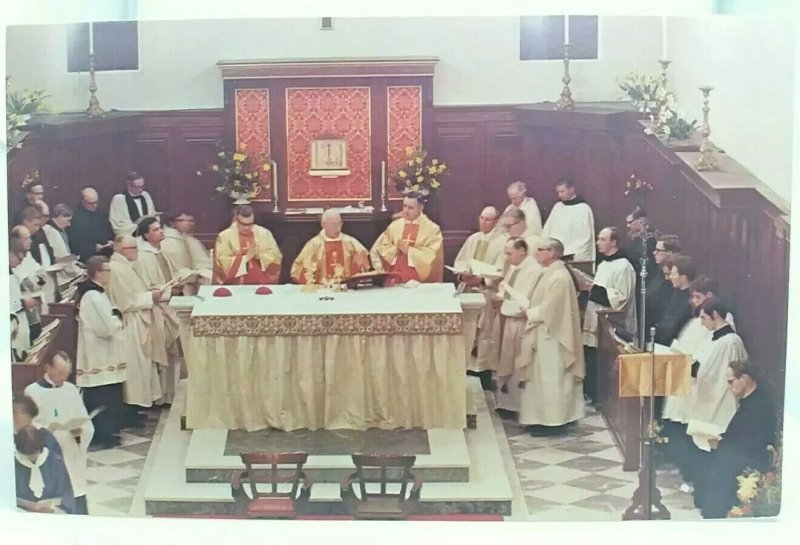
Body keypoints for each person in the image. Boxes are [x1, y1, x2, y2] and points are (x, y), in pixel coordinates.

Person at [684, 297, 747, 505]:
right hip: (712, 397)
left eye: (704, 317)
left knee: (711, 445)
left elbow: (708, 373)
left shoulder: (728, 341)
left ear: (716, 315)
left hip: (720, 401)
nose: (702, 323)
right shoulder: (717, 338)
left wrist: (689, 368)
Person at [518, 238, 585, 434]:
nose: (536, 253)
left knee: (551, 379)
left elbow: (550, 310)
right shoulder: (550, 272)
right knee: (541, 379)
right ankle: (541, 418)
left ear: (552, 253)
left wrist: (528, 312)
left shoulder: (559, 277)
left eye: (540, 250)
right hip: (545, 334)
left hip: (554, 337)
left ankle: (554, 423)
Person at [700, 361, 776, 518]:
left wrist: (720, 443)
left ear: (745, 379)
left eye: (731, 382)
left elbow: (750, 445)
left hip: (748, 465)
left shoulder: (758, 406)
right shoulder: (753, 400)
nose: (729, 387)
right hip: (739, 458)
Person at [25, 351, 94, 515]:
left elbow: (85, 421)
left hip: (71, 452)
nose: (64, 378)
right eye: (60, 373)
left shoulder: (71, 389)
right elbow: (28, 426)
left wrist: (81, 431)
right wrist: (46, 430)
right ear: (48, 367)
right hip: (50, 455)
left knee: (76, 491)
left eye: (67, 374)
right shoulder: (33, 391)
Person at [483, 237, 543, 417]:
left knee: (518, 363)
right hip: (507, 319)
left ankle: (517, 406)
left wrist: (503, 300)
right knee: (506, 360)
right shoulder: (515, 268)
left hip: (520, 322)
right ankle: (506, 403)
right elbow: (506, 293)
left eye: (510, 253)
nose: (507, 257)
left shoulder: (533, 270)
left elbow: (524, 300)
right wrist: (494, 295)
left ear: (522, 251)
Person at [580, 227, 637, 404]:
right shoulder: (604, 264)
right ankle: (591, 394)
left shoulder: (624, 266)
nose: (598, 242)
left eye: (602, 239)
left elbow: (621, 298)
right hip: (594, 317)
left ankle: (602, 398)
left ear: (614, 242)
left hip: (611, 322)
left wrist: (593, 289)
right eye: (598, 239)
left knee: (603, 361)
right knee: (591, 356)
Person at [108, 235, 163, 412]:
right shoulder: (116, 269)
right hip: (130, 323)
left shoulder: (125, 266)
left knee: (143, 366)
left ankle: (140, 404)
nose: (136, 252)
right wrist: (150, 297)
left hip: (138, 319)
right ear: (121, 249)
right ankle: (134, 407)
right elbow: (126, 302)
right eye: (133, 248)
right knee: (135, 367)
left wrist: (150, 292)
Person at [76, 256, 126, 448]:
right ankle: (101, 436)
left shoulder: (98, 294)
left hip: (104, 353)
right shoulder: (93, 296)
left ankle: (108, 433)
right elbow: (105, 327)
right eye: (107, 270)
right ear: (97, 272)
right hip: (99, 355)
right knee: (102, 395)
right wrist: (117, 319)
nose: (110, 274)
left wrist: (114, 316)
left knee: (108, 393)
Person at [453, 206, 506, 384]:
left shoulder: (503, 242)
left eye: (487, 219)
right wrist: (462, 274)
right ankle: (467, 367)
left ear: (496, 221)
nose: (483, 222)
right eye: (481, 218)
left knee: (485, 333)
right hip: (468, 290)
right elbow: (460, 261)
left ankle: (484, 371)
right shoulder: (473, 239)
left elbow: (502, 270)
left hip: (487, 294)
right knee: (468, 330)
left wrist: (482, 280)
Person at [134, 217, 182, 406]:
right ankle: (162, 396)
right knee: (162, 353)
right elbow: (149, 286)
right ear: (146, 235)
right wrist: (171, 290)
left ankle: (172, 393)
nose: (161, 232)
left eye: (161, 228)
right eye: (155, 229)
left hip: (169, 306)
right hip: (157, 310)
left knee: (173, 353)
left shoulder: (160, 252)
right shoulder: (144, 256)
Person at [371, 194, 444, 284]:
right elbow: (383, 247)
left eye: (410, 208)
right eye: (404, 206)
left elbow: (433, 254)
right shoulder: (394, 226)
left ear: (420, 208)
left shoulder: (432, 229)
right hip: (395, 274)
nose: (406, 211)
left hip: (419, 278)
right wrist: (395, 249)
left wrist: (410, 251)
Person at [291, 209, 370, 284]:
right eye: (334, 224)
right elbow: (298, 269)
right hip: (321, 290)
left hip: (346, 290)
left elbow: (362, 266)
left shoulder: (351, 243)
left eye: (339, 223)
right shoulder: (314, 245)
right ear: (323, 225)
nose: (337, 228)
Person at [213, 204, 282, 284]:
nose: (246, 228)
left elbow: (276, 256)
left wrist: (259, 256)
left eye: (249, 224)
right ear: (236, 220)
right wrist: (245, 258)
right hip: (236, 283)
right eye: (243, 224)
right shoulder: (225, 236)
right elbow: (221, 262)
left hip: (261, 280)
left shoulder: (264, 233)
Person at [14, 425, 76, 514]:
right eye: (28, 455)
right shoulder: (13, 464)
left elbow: (66, 494)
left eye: (35, 453)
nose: (32, 458)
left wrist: (53, 507)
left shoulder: (55, 461)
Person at [541, 178, 596, 263]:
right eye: (558, 192)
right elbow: (547, 230)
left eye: (562, 191)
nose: (559, 195)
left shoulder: (583, 209)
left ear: (571, 189)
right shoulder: (557, 207)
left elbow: (585, 238)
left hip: (573, 255)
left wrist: (568, 253)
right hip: (555, 254)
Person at [161, 210, 212, 295]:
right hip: (178, 287)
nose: (190, 224)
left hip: (190, 280)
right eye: (184, 220)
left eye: (191, 221)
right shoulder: (168, 242)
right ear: (172, 223)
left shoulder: (188, 239)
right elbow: (175, 270)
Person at [653, 254, 694, 346]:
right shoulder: (675, 292)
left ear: (683, 277)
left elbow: (676, 324)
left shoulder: (690, 300)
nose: (670, 277)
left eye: (673, 274)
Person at [67, 186, 115, 262]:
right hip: (87, 257)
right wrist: (92, 247)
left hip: (106, 254)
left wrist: (111, 242)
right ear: (82, 201)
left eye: (96, 202)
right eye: (91, 203)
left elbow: (110, 232)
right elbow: (74, 242)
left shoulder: (102, 214)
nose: (95, 205)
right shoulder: (75, 218)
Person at [646, 235, 681, 329]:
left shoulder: (675, 277)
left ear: (669, 253)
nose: (654, 253)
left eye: (658, 250)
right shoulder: (658, 272)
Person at [109, 172, 158, 236]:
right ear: (129, 186)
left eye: (142, 186)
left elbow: (152, 214)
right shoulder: (119, 199)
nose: (141, 190)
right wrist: (138, 227)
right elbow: (117, 224)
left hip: (148, 235)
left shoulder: (145, 195)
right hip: (130, 236)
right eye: (138, 187)